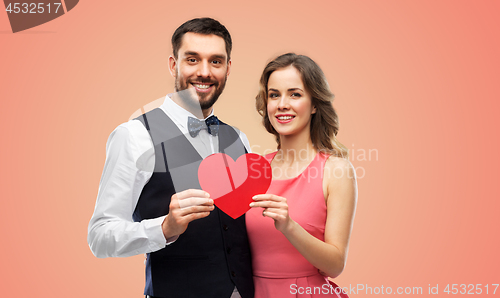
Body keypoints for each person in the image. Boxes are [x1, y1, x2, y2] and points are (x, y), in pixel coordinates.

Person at [87, 18, 254, 298]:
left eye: (216, 61)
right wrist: (164, 228)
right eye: (192, 59)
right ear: (173, 65)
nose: (205, 72)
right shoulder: (134, 135)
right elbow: (100, 237)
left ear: (227, 68)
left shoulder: (239, 138)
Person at [246, 53, 357, 297]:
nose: (282, 104)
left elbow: (335, 264)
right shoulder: (253, 169)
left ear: (315, 104)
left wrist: (288, 226)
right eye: (274, 95)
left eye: (294, 94)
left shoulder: (336, 170)